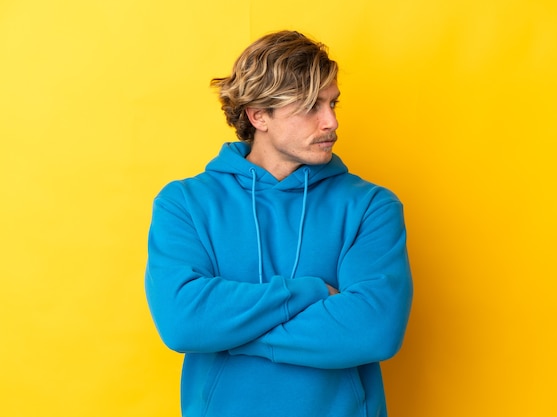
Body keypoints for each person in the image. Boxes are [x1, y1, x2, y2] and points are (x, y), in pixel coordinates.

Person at [145, 30, 413, 417]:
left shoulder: (371, 205)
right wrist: (311, 292)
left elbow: (375, 330)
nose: (331, 122)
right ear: (258, 115)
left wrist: (228, 333)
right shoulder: (185, 203)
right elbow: (184, 323)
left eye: (333, 103)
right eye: (310, 107)